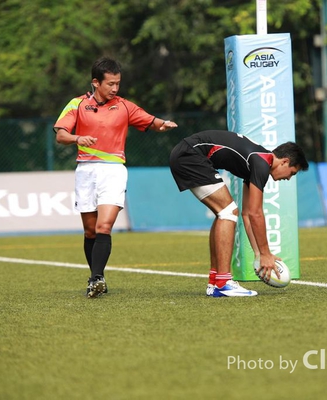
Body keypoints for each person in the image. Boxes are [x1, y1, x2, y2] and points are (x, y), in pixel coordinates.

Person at [55, 57, 178, 298]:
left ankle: (96, 278)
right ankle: (96, 277)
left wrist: (162, 124)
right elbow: (61, 135)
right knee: (90, 231)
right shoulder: (77, 104)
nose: (115, 88)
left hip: (113, 170)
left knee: (104, 226)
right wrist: (77, 138)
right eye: (110, 84)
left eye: (118, 83)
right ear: (95, 83)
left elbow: (150, 120)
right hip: (86, 171)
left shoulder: (124, 106)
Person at [169, 130, 309, 297]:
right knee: (228, 212)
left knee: (225, 213)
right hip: (190, 154)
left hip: (187, 153)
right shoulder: (261, 163)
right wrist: (266, 254)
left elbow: (248, 214)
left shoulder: (260, 161)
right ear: (285, 161)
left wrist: (258, 254)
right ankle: (223, 283)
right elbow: (256, 214)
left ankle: (215, 282)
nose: (289, 178)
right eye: (292, 173)